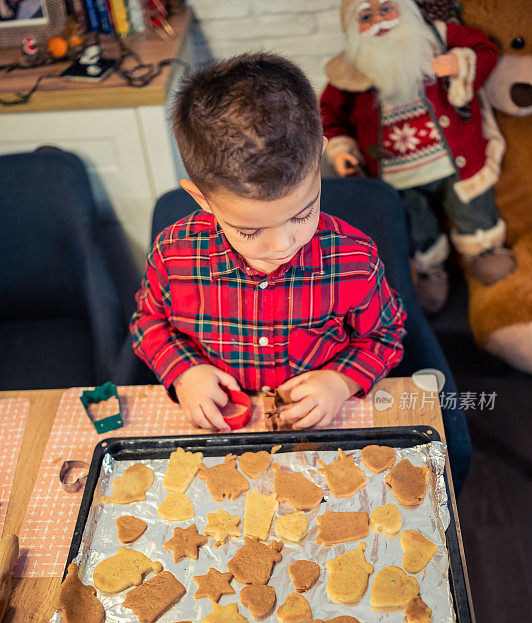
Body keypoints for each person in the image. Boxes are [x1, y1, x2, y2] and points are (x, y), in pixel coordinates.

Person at [130, 53, 406, 432]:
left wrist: (340, 382)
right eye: (249, 231)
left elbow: (385, 334)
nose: (281, 246)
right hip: (225, 425)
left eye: (301, 215)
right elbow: (149, 321)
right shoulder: (171, 256)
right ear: (202, 199)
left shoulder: (355, 260)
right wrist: (184, 372)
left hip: (318, 426)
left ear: (318, 157)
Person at [320, 0, 516, 313]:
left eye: (387, 9)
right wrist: (341, 147)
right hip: (397, 176)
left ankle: (484, 252)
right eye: (366, 17)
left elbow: (485, 49)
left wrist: (460, 63)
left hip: (455, 162)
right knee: (416, 225)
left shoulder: (437, 37)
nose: (380, 22)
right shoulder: (351, 69)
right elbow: (329, 112)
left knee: (473, 207)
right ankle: (428, 269)